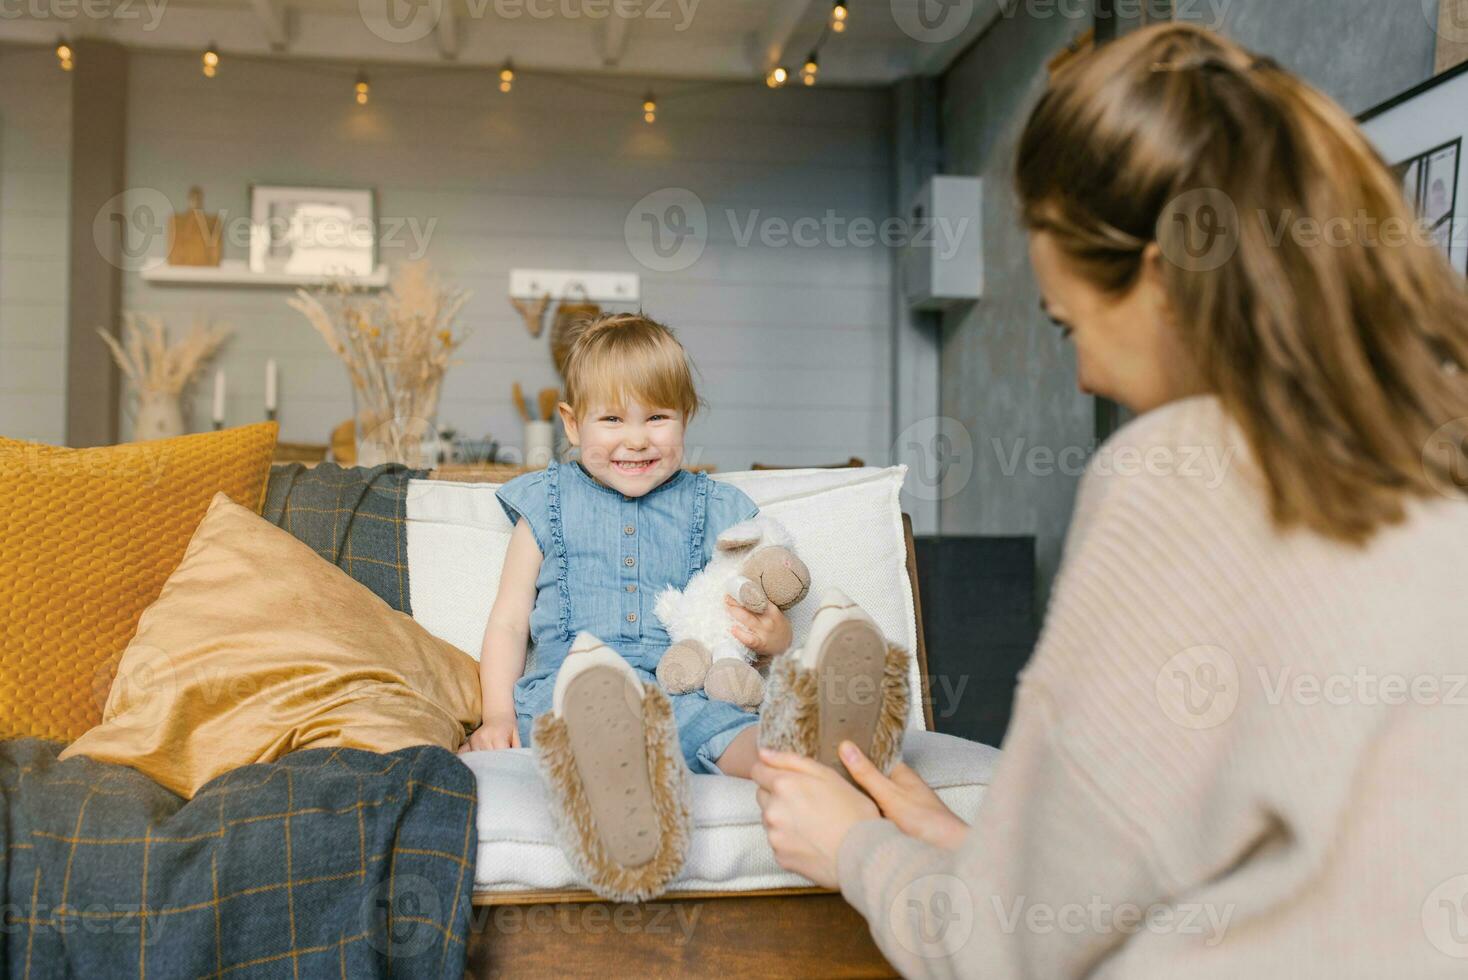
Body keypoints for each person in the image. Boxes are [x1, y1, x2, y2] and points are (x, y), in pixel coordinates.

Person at [752, 21, 1468, 978]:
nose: (1086, 376)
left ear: (1164, 280)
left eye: (1067, 325)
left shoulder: (1180, 475)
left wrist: (854, 849)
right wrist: (966, 846)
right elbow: (1257, 883)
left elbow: (1003, 954)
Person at [461, 312, 794, 900]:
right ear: (572, 423)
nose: (636, 439)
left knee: (719, 724)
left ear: (685, 418)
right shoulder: (547, 501)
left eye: (657, 417)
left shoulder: (711, 505)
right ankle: (624, 805)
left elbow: (753, 605)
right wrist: (495, 715)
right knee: (585, 727)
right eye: (612, 418)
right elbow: (510, 620)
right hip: (571, 683)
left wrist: (774, 637)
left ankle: (802, 764)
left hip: (677, 684)